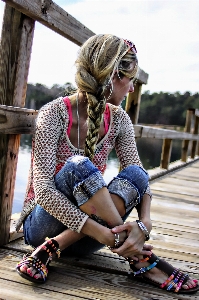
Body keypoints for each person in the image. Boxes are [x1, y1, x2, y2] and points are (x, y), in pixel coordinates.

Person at [15, 34, 198, 294]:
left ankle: (55, 248)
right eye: (131, 80)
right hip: (42, 229)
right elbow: (43, 191)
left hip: (91, 238)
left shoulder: (120, 119)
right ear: (113, 77)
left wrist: (144, 223)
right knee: (78, 165)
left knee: (134, 173)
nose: (133, 89)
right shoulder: (53, 114)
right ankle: (140, 260)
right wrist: (104, 233)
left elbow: (139, 177)